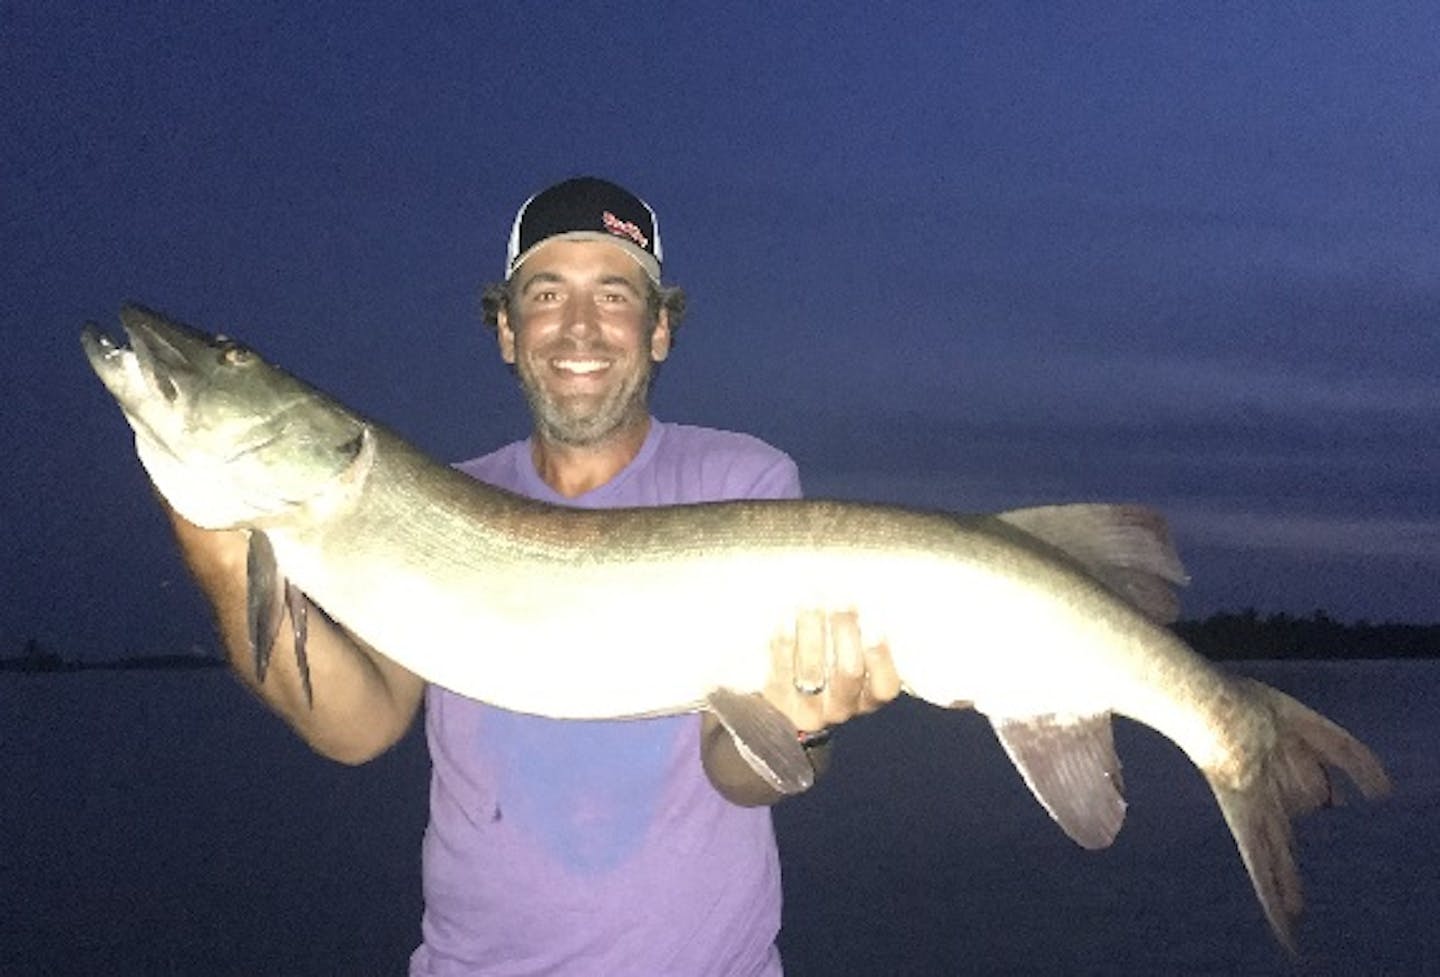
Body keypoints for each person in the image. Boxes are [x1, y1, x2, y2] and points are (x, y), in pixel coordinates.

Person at [163, 176, 902, 976]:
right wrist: (216, 541)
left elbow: (739, 769)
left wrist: (803, 720)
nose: (579, 326)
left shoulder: (745, 481)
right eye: (546, 294)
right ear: (508, 331)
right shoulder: (437, 501)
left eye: (614, 295)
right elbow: (358, 726)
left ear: (659, 330)